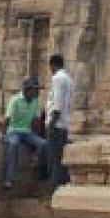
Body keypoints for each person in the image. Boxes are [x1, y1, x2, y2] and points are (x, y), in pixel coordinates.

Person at [1, 78, 44, 190]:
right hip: (13, 130)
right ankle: (10, 178)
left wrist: (37, 136)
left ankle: (36, 163)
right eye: (35, 90)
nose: (37, 93)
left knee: (43, 144)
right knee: (13, 145)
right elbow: (7, 119)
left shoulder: (34, 102)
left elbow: (36, 120)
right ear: (27, 90)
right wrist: (4, 135)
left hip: (26, 132)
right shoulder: (15, 100)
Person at [45, 53, 74, 188]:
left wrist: (51, 123)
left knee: (53, 159)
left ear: (53, 65)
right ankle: (60, 186)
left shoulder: (57, 78)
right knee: (60, 158)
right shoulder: (68, 78)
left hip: (56, 124)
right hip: (64, 124)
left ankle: (54, 189)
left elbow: (57, 103)